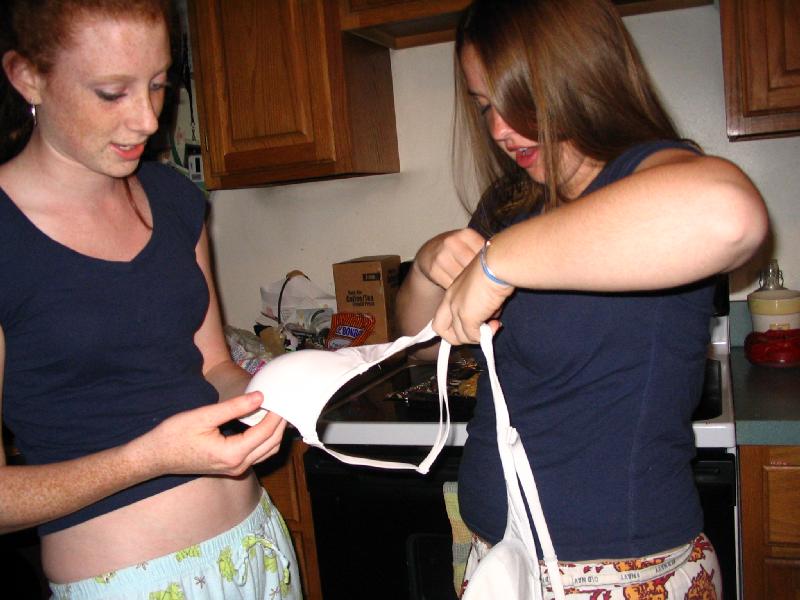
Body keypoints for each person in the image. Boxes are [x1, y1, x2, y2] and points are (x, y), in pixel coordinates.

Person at [395, 0, 768, 598]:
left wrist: (497, 262)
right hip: (499, 557)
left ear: (580, 76)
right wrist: (425, 267)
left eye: (515, 100)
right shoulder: (510, 204)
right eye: (485, 106)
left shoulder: (643, 177)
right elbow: (420, 344)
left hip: (621, 573)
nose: (498, 129)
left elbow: (731, 216)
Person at [0, 1, 302, 598]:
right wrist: (148, 459)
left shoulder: (172, 196)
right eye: (112, 92)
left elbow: (214, 368)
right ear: (27, 76)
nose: (146, 120)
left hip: (260, 547)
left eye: (159, 84)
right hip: (129, 581)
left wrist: (282, 394)